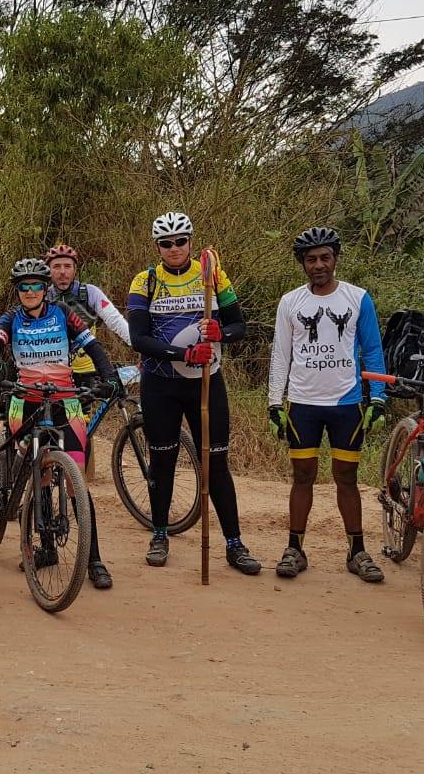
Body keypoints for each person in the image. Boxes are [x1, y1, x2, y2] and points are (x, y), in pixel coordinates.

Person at [126, 212, 262, 575]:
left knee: (215, 462)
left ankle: (234, 543)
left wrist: (220, 332)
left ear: (190, 241)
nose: (174, 249)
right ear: (157, 247)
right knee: (164, 460)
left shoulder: (212, 275)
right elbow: (138, 338)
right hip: (161, 384)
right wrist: (182, 353)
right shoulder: (146, 280)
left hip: (206, 382)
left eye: (181, 241)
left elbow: (239, 326)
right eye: (166, 243)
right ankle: (159, 533)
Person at [0, 257, 123, 589]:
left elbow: (93, 345)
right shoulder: (11, 317)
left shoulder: (63, 313)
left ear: (46, 289)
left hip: (65, 401)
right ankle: (45, 548)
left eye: (36, 286)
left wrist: (110, 375)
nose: (30, 291)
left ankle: (94, 561)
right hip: (25, 399)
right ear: (17, 291)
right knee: (39, 474)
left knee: (76, 482)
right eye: (23, 286)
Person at [268, 227, 387, 583]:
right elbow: (281, 355)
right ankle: (294, 548)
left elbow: (373, 349)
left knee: (346, 478)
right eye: (311, 260)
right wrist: (275, 403)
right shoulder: (290, 302)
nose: (318, 265)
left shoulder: (358, 298)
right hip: (302, 404)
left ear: (335, 259)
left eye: (325, 258)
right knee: (302, 476)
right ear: (302, 264)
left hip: (346, 403)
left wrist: (377, 398)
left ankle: (357, 551)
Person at [44, 243, 134, 394]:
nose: (62, 272)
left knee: (84, 416)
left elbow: (115, 320)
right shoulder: (43, 296)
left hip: (87, 369)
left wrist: (138, 344)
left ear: (75, 270)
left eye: (67, 266)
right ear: (48, 271)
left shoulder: (90, 293)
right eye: (56, 267)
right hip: (53, 371)